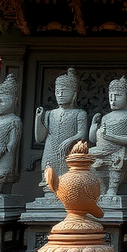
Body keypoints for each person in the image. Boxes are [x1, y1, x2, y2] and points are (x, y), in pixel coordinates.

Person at [34, 68, 89, 196]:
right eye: (58, 91)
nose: (60, 94)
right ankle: (49, 196)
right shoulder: (49, 114)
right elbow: (39, 138)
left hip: (68, 151)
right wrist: (38, 119)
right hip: (50, 150)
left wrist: (69, 140)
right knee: (48, 179)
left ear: (74, 94)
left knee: (69, 180)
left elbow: (82, 134)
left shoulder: (79, 113)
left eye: (64, 91)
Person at [88, 76, 127, 198]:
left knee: (118, 160)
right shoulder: (106, 117)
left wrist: (110, 137)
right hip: (101, 150)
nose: (113, 100)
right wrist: (94, 126)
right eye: (111, 97)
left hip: (117, 150)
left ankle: (112, 189)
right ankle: (101, 188)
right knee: (89, 156)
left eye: (117, 96)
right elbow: (93, 140)